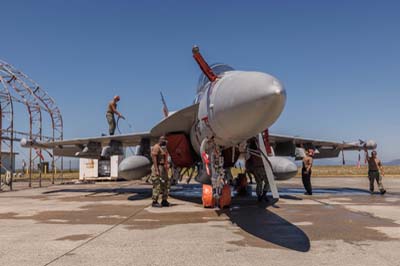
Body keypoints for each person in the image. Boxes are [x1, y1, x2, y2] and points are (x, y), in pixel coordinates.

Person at [246, 138, 270, 202]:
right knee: (268, 182)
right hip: (261, 168)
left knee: (259, 183)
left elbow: (247, 160)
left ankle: (260, 197)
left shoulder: (251, 152)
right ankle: (263, 195)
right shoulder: (259, 151)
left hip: (255, 169)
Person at [151, 136, 170, 207]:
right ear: (160, 140)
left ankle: (164, 200)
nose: (165, 141)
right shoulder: (156, 147)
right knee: (157, 184)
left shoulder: (163, 148)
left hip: (163, 167)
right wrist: (156, 170)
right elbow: (154, 158)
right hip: (158, 166)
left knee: (166, 183)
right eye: (164, 140)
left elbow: (165, 157)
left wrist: (166, 167)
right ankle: (154, 201)